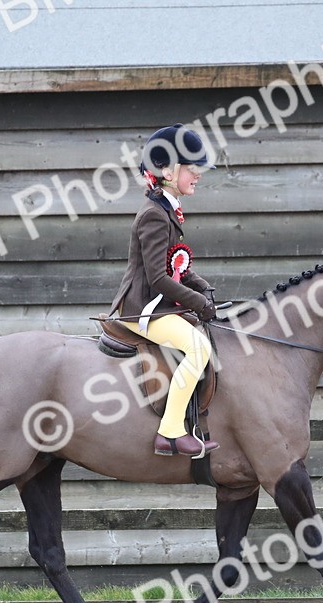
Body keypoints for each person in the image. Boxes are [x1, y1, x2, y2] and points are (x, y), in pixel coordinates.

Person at [108, 124, 220, 457]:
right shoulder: (154, 216)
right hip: (144, 308)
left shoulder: (166, 210)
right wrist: (197, 302)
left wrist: (203, 287)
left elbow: (176, 266)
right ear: (168, 172)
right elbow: (157, 278)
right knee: (198, 349)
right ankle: (170, 432)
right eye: (191, 168)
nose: (198, 174)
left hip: (158, 304)